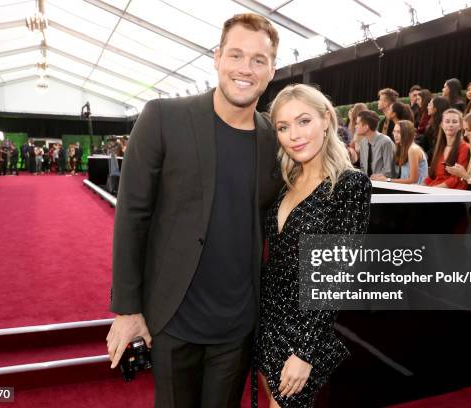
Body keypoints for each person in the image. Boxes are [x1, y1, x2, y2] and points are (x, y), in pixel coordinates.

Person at [107, 14, 283, 408]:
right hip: (172, 320)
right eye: (236, 55)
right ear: (217, 57)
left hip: (238, 325)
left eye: (259, 60)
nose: (245, 68)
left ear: (272, 70)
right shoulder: (163, 118)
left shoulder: (276, 138)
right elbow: (132, 215)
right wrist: (127, 308)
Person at [258, 83, 371, 408]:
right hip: (267, 319)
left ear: (325, 120)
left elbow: (335, 277)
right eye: (283, 126)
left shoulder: (349, 185)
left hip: (304, 328)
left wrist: (304, 352)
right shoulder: (284, 183)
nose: (294, 134)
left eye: (303, 121)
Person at [424, 109, 469, 189]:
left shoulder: (464, 148)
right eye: (447, 121)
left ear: (460, 126)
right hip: (434, 189)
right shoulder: (440, 147)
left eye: (454, 122)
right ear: (442, 125)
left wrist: (433, 189)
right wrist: (421, 187)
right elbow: (432, 176)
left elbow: (456, 179)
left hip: (451, 193)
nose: (450, 125)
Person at [371, 120, 428, 184]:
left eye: (399, 132)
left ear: (406, 134)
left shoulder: (412, 149)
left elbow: (413, 180)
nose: (395, 135)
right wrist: (382, 177)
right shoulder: (403, 148)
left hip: (418, 190)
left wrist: (387, 180)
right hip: (406, 188)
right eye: (394, 131)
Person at [357, 110, 395, 176]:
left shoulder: (386, 142)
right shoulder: (363, 143)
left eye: (357, 124)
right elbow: (363, 168)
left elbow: (390, 171)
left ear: (366, 127)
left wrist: (378, 177)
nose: (356, 126)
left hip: (384, 184)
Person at [416, 96, 450, 161]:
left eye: (430, 104)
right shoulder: (432, 123)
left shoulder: (442, 126)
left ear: (435, 108)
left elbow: (436, 148)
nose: (427, 107)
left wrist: (424, 157)